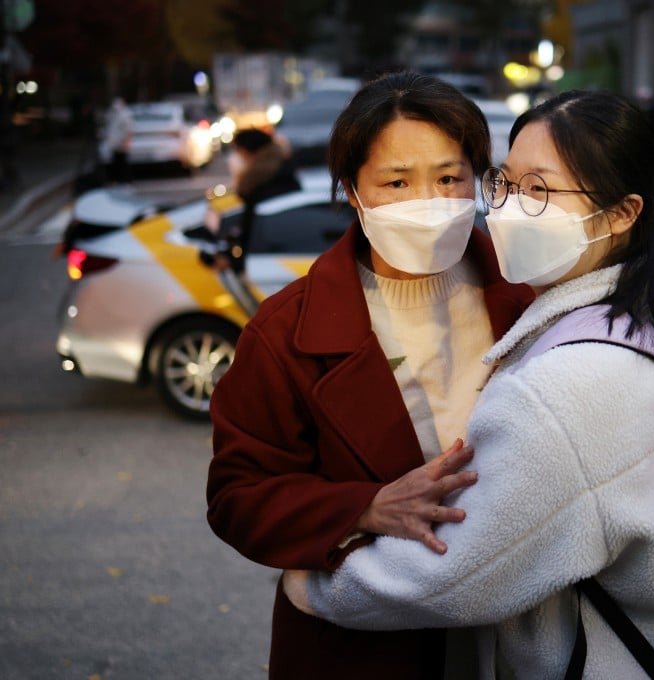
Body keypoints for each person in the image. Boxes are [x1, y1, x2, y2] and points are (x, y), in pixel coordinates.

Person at [282, 90, 654, 678]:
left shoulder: (561, 386)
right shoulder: (650, 314)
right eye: (507, 183)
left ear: (621, 214)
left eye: (539, 190)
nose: (508, 209)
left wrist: (310, 586)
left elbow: (459, 573)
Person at [205, 71, 534, 679]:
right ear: (352, 193)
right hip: (364, 653)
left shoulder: (526, 296)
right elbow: (236, 497)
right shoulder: (286, 335)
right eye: (396, 182)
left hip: (519, 638)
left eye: (448, 177)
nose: (427, 201)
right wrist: (363, 507)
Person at [216, 128, 301, 275]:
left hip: (272, 263)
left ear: (251, 153)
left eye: (238, 151)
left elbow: (255, 230)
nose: (234, 159)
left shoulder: (264, 185)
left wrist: (235, 260)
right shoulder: (278, 174)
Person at [102, 97, 133, 184]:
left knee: (123, 163)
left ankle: (125, 181)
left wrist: (126, 142)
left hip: (121, 144)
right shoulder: (111, 115)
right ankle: (116, 180)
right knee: (115, 163)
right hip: (114, 144)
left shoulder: (126, 115)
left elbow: (128, 130)